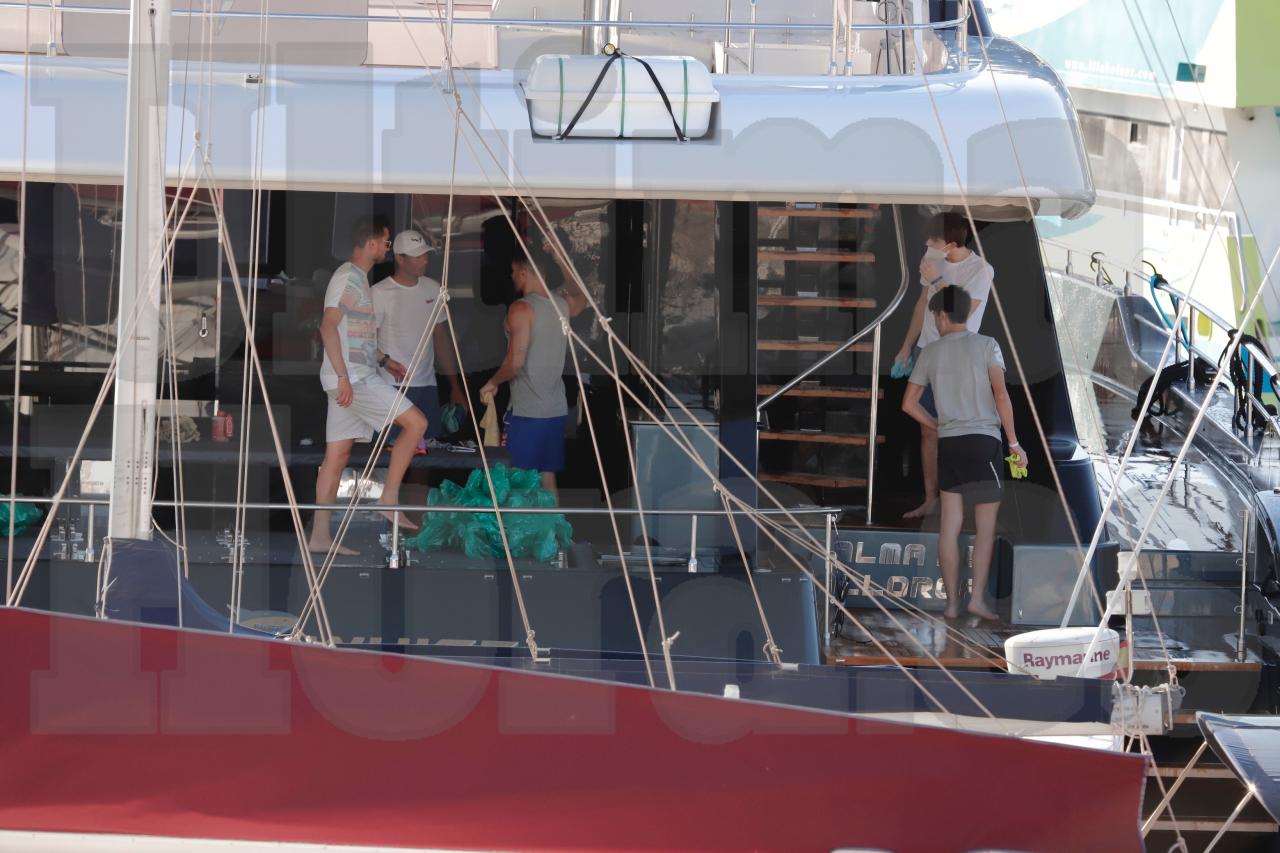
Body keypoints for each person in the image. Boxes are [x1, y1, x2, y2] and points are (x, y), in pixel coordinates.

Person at [902, 286, 1026, 620]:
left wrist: (935, 425)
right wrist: (1014, 443)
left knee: (950, 524)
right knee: (985, 527)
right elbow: (1001, 395)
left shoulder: (930, 352)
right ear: (966, 313)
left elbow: (908, 404)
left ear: (941, 315)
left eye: (934, 316)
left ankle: (951, 605)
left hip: (950, 443)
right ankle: (976, 600)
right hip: (984, 442)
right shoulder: (987, 345)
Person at [309, 216, 428, 555]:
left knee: (337, 457)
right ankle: (388, 498)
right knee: (417, 423)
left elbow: (351, 334)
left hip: (351, 376)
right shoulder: (349, 278)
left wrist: (384, 359)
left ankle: (319, 536)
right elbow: (327, 327)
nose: (388, 247)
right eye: (387, 241)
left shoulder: (355, 278)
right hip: (353, 380)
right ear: (372, 242)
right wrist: (345, 377)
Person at [893, 212, 994, 519]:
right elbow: (922, 305)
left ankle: (958, 503)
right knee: (927, 431)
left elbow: (960, 312)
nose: (926, 243)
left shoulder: (981, 270)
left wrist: (937, 279)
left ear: (950, 244)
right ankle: (930, 498)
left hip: (959, 355)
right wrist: (906, 346)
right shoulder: (932, 258)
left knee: (958, 430)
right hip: (928, 348)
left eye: (933, 240)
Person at [479, 247, 587, 500]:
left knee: (517, 478)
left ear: (524, 272)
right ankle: (552, 537)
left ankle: (517, 539)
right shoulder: (562, 304)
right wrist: (562, 261)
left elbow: (515, 362)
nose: (512, 277)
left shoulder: (521, 308)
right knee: (547, 477)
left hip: (528, 410)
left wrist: (491, 383)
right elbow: (581, 296)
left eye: (514, 272)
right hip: (555, 408)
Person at [372, 230, 468, 450]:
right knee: (390, 451)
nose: (424, 260)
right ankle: (392, 486)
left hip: (427, 384)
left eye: (425, 254)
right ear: (399, 258)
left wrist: (454, 385)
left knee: (426, 451)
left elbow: (441, 339)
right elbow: (367, 342)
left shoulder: (433, 288)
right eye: (417, 256)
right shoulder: (379, 292)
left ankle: (418, 488)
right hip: (392, 385)